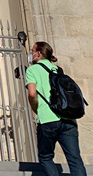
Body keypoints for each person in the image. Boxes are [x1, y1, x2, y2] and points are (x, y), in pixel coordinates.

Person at [26, 41, 86, 176]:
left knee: (46, 157)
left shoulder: (32, 70)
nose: (31, 54)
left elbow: (32, 93)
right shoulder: (58, 70)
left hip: (48, 119)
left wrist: (36, 109)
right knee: (75, 159)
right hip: (68, 118)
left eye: (32, 51)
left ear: (38, 54)